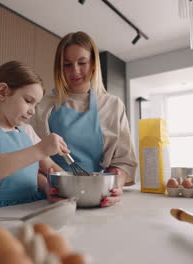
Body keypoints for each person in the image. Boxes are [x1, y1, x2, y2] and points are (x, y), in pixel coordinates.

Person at [30, 31, 138, 207]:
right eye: (67, 64)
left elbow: (122, 162)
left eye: (82, 63)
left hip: (97, 197)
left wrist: (114, 186)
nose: (75, 71)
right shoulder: (42, 103)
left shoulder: (112, 106)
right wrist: (45, 185)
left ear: (94, 63)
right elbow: (29, 157)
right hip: (49, 201)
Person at [0, 61, 69, 213]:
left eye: (36, 105)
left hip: (32, 207)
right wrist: (40, 149)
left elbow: (52, 169)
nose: (32, 111)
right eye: (28, 101)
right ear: (2, 92)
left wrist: (72, 183)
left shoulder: (27, 131)